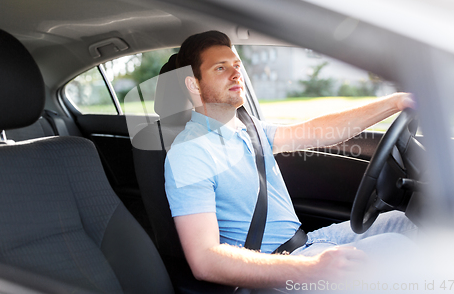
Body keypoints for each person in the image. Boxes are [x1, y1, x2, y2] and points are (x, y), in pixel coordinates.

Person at [164, 31, 416, 289]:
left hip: (308, 243)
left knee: (415, 222)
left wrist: (396, 103)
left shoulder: (249, 129)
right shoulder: (189, 153)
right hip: (276, 269)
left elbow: (319, 131)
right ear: (194, 85)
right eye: (220, 68)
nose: (235, 73)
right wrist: (311, 269)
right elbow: (205, 261)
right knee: (399, 250)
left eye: (236, 65)